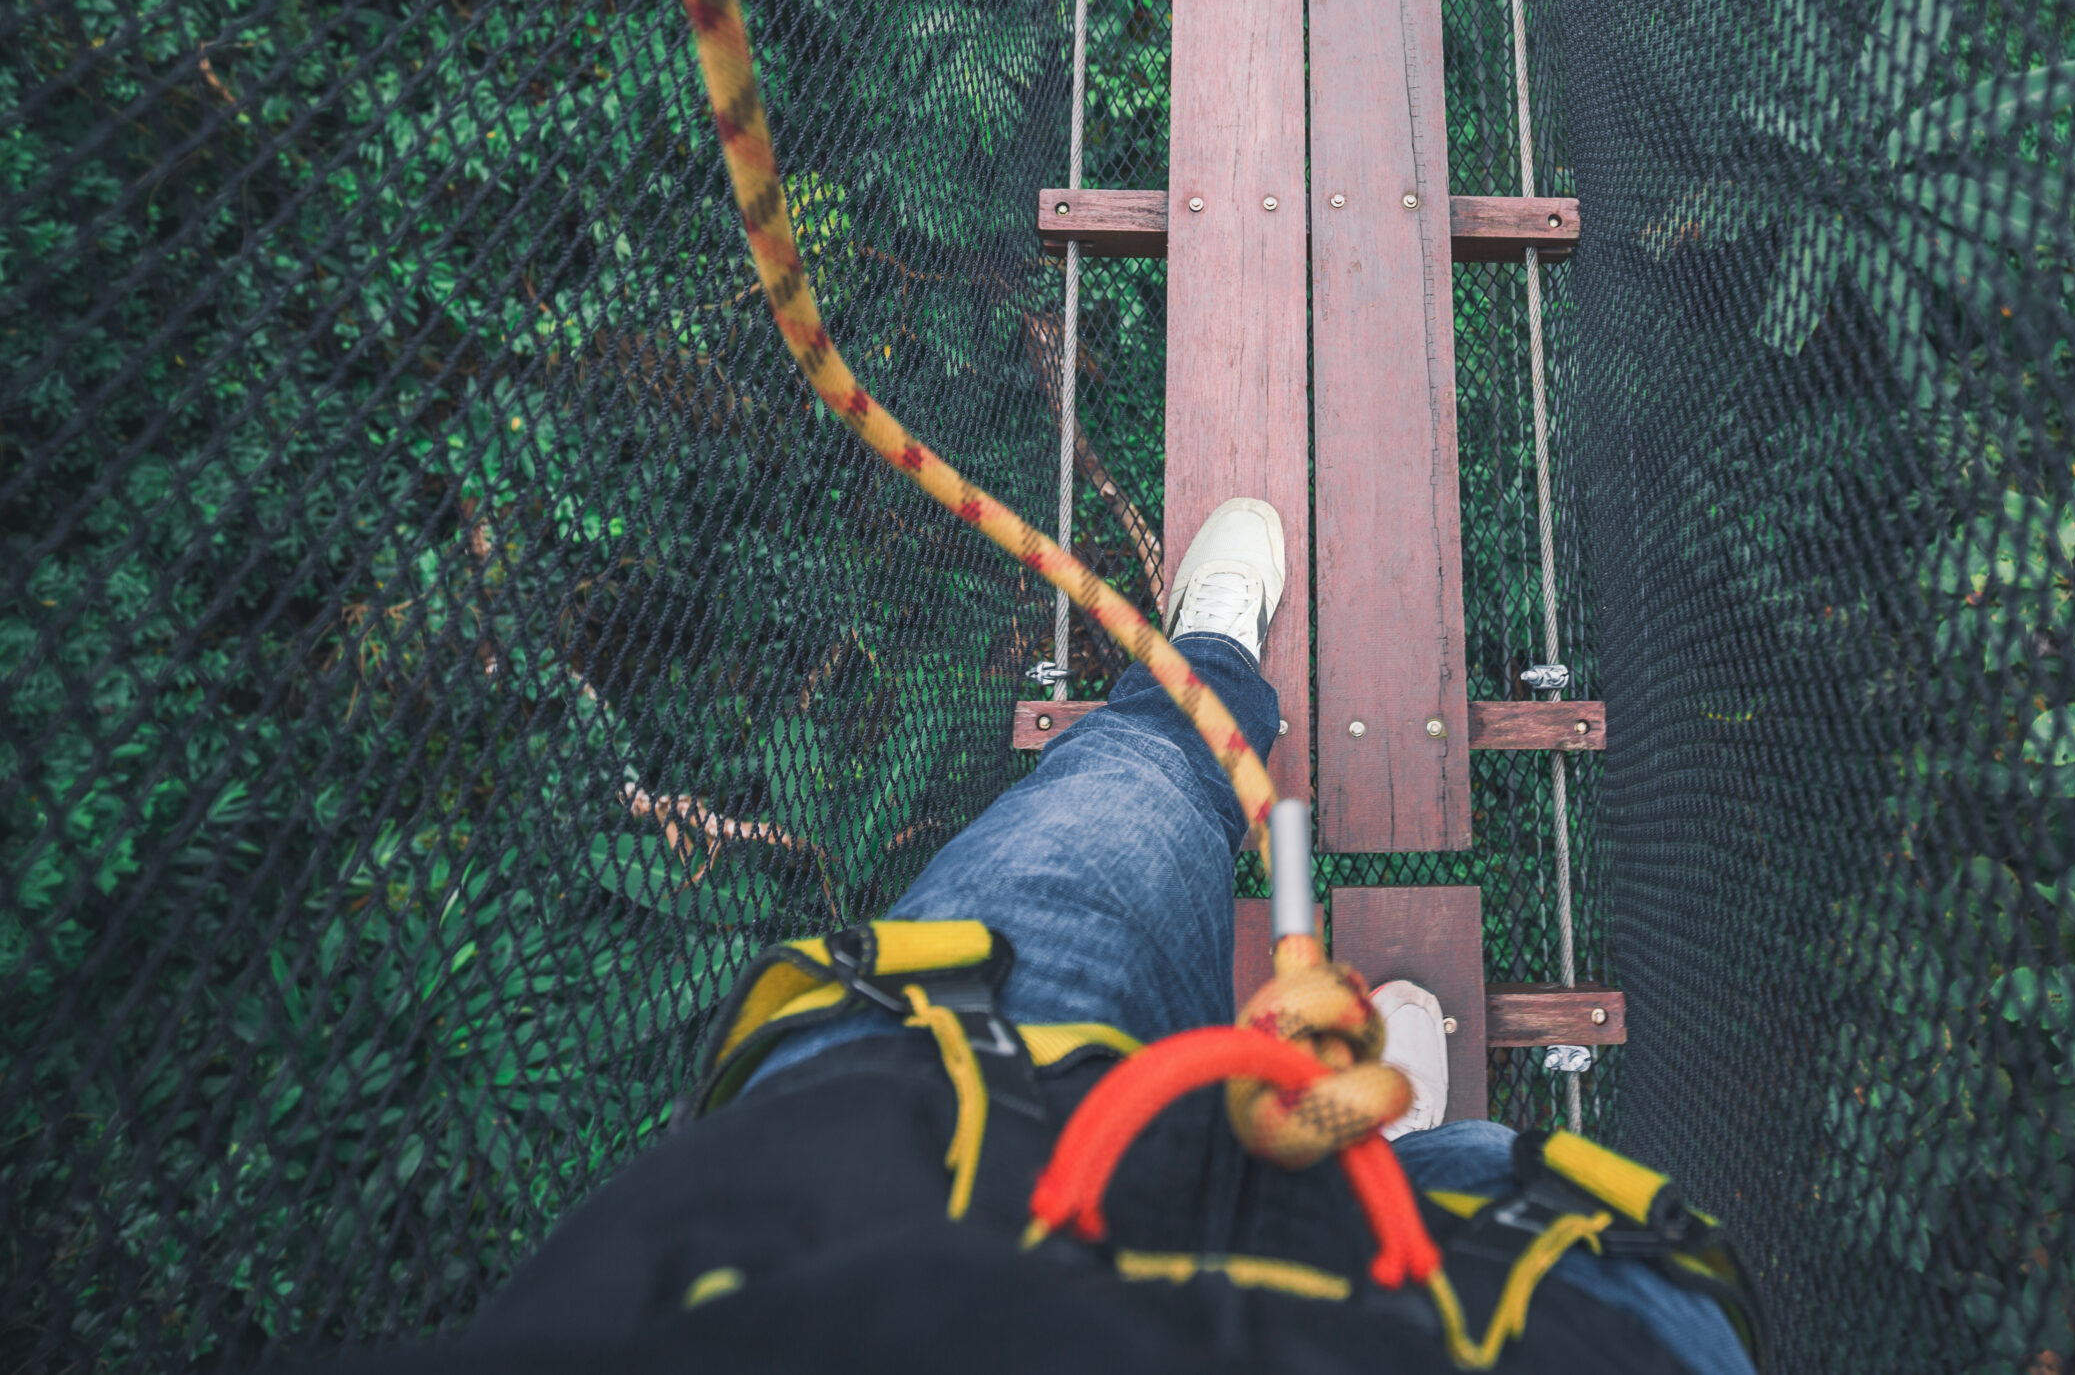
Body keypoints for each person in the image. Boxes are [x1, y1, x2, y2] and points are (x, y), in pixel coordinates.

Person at [349, 501, 1759, 1374]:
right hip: (1516, 1334)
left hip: (912, 1144)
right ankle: (1366, 1162)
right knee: (1491, 1204)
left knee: (1130, 786)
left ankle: (1209, 665)